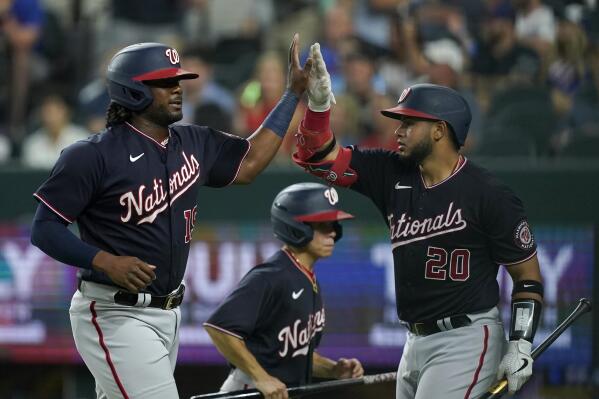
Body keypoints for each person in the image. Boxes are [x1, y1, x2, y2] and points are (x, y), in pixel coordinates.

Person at [29, 35, 312, 399]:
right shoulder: (90, 155)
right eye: (164, 82)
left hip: (169, 312)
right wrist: (104, 261)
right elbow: (44, 228)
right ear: (132, 91)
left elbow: (251, 162)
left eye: (177, 80)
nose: (177, 88)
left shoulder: (193, 142)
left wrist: (292, 93)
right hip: (115, 312)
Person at [291, 43, 544, 398]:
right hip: (414, 340)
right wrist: (318, 107)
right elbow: (315, 158)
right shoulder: (390, 171)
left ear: (440, 130)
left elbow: (527, 277)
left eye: (409, 123)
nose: (398, 130)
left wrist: (520, 342)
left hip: (466, 337)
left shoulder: (488, 193)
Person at [204, 182, 364, 399]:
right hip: (248, 391)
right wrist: (262, 377)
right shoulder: (272, 275)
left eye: (334, 225)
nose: (333, 233)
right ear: (296, 227)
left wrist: (334, 369)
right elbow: (219, 328)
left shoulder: (305, 276)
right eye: (323, 225)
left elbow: (292, 354)